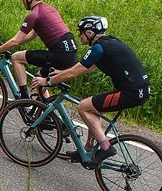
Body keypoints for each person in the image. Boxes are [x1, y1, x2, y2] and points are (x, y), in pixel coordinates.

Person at [32, 16, 150, 169]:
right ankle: (88, 149)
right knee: (93, 109)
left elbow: (74, 73)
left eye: (80, 32)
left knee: (83, 106)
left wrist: (46, 82)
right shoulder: (109, 42)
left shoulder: (98, 48)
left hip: (131, 92)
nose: (79, 35)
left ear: (89, 32)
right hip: (140, 89)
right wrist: (63, 72)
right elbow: (87, 66)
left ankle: (106, 148)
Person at [0, 0, 77, 99]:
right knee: (38, 80)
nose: (22, 1)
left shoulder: (34, 15)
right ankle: (46, 110)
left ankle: (24, 98)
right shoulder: (49, 9)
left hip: (60, 53)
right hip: (70, 52)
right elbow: (32, 35)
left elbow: (16, 41)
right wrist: (6, 46)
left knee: (16, 57)